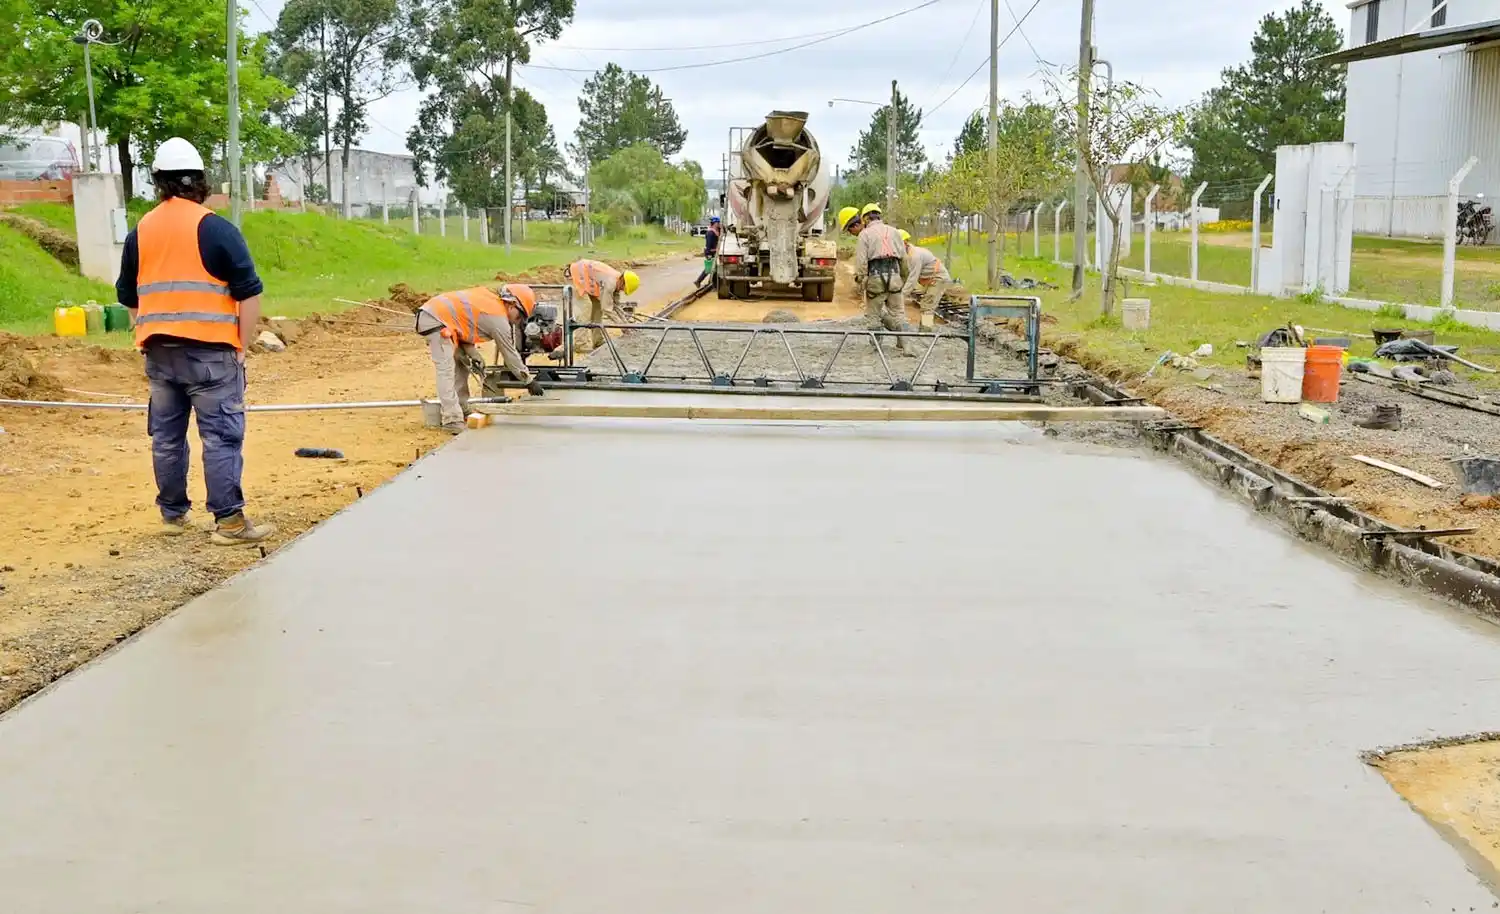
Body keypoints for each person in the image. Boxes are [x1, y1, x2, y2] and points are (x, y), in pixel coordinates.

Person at [116, 137, 275, 546]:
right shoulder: (216, 228)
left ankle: (172, 514)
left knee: (166, 436)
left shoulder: (141, 232)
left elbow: (128, 297)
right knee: (220, 436)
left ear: (159, 182)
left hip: (158, 352)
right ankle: (230, 523)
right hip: (210, 353)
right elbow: (249, 293)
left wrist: (145, 332)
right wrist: (240, 346)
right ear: (202, 181)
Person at [416, 283, 545, 433]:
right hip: (435, 319)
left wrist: (472, 353)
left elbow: (463, 324)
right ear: (511, 304)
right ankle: (451, 419)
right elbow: (509, 353)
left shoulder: (491, 303)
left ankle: (462, 409)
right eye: (519, 315)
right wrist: (528, 380)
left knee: (461, 365)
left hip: (440, 317)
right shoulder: (497, 318)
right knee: (446, 370)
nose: (518, 321)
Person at [851, 203, 911, 350]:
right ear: (879, 215)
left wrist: (860, 281)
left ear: (865, 219)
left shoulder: (865, 235)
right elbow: (904, 259)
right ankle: (905, 346)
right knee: (898, 314)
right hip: (895, 276)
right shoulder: (895, 232)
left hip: (875, 278)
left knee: (874, 316)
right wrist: (902, 279)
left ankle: (876, 347)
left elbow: (861, 262)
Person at [565, 259, 640, 350]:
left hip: (587, 280)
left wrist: (627, 325)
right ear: (622, 281)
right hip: (576, 275)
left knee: (597, 308)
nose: (622, 290)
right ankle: (580, 344)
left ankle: (598, 341)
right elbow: (607, 309)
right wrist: (622, 326)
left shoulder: (617, 281)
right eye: (623, 288)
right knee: (586, 307)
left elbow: (616, 306)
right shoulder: (610, 283)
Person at [901, 230, 953, 330]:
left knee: (928, 305)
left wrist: (902, 296)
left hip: (939, 279)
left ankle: (926, 331)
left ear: (905, 243)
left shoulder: (914, 256)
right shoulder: (907, 254)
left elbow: (912, 279)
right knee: (926, 304)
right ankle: (924, 329)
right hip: (930, 280)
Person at [694, 216, 721, 286]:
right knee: (709, 268)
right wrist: (709, 254)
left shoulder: (716, 231)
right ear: (714, 223)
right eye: (718, 223)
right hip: (710, 252)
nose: (719, 224)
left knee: (715, 268)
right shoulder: (710, 233)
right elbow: (708, 244)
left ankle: (714, 284)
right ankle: (698, 281)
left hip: (714, 252)